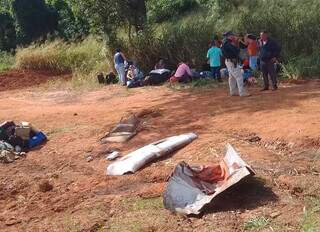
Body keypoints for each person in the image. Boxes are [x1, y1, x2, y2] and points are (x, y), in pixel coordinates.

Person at [221, 31, 250, 97]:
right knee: (239, 76)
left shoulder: (225, 42)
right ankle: (242, 92)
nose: (233, 36)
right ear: (229, 36)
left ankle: (233, 91)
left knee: (232, 77)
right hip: (231, 61)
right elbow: (235, 51)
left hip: (229, 61)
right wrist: (236, 43)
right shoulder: (227, 43)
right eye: (232, 35)